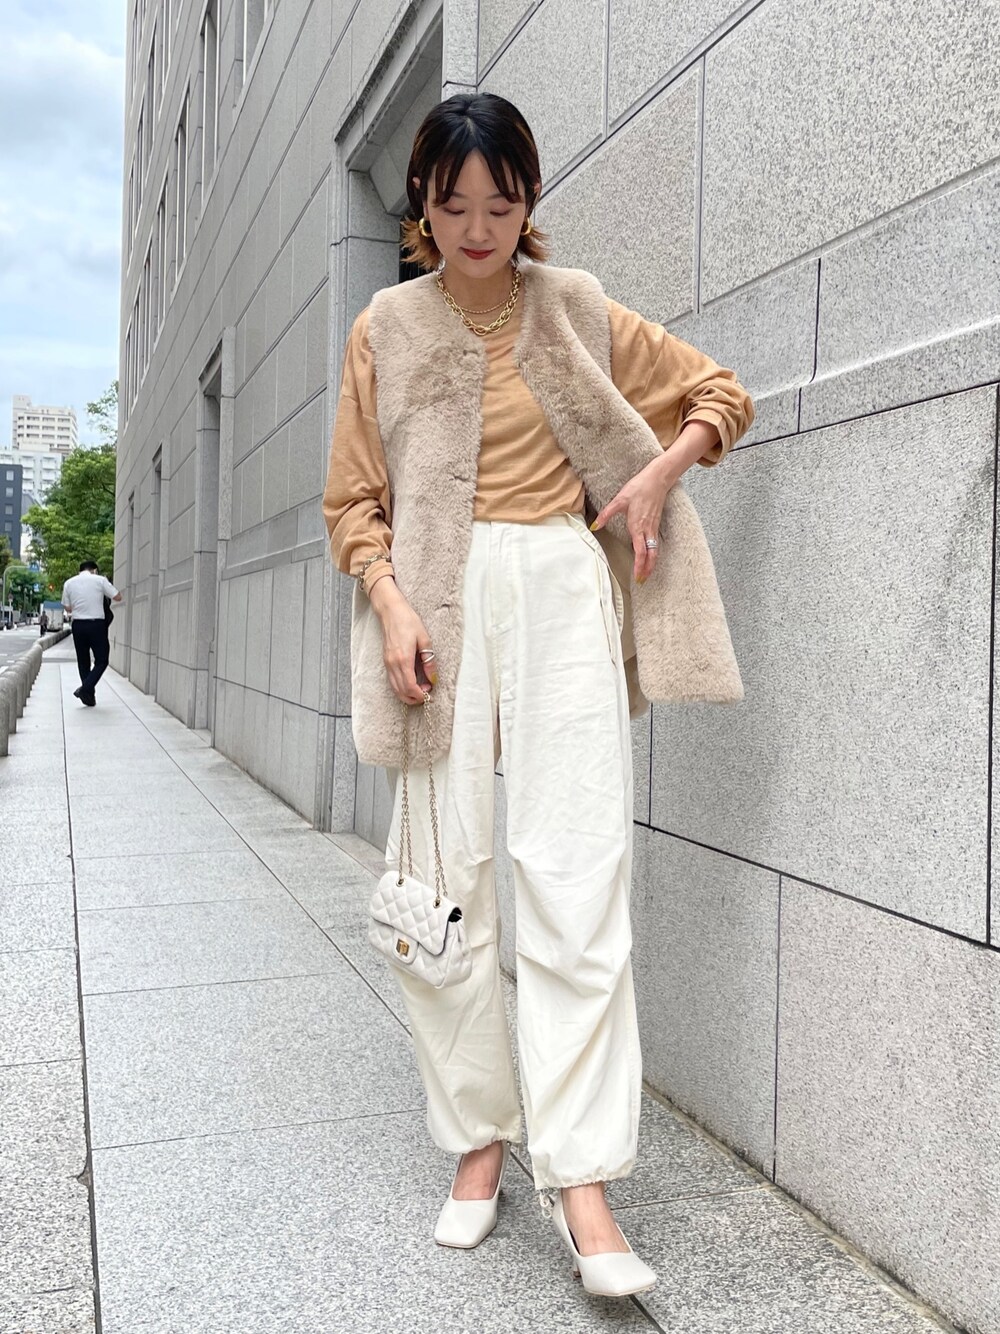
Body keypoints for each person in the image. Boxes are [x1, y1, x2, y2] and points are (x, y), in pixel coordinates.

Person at [323, 93, 754, 1298]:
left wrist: (659, 474)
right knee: (440, 880)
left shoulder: (574, 306)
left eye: (500, 205)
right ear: (420, 205)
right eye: (453, 204)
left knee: (576, 873)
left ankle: (582, 1178)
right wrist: (392, 603)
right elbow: (351, 501)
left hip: (562, 589)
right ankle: (477, 1139)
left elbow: (721, 393)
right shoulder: (385, 325)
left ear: (528, 201)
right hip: (434, 605)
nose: (477, 229)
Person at [61, 560, 122, 706]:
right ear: (94, 570)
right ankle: (85, 689)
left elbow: (68, 608)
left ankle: (88, 696)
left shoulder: (69, 583)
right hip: (96, 625)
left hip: (78, 625)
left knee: (83, 661)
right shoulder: (100, 580)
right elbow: (118, 597)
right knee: (102, 660)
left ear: (80, 571)